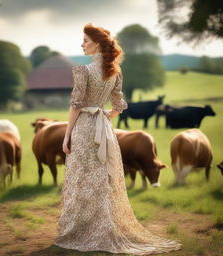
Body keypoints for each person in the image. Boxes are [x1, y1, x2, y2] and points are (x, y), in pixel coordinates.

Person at [54, 23, 182, 255]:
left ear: (98, 43)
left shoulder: (83, 71)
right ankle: (102, 228)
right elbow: (119, 105)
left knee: (82, 178)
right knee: (102, 178)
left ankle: (83, 231)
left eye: (85, 40)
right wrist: (104, 114)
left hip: (84, 128)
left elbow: (75, 106)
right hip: (105, 128)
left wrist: (67, 135)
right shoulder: (115, 71)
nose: (81, 44)